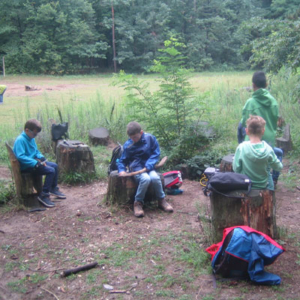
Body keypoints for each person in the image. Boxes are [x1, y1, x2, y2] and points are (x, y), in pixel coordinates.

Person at [118, 121, 173, 217]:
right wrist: (121, 170)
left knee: (155, 178)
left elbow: (156, 153)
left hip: (150, 167)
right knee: (145, 179)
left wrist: (149, 165)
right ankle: (138, 203)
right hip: (136, 169)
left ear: (141, 132)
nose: (133, 140)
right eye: (131, 138)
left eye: (135, 137)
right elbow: (122, 160)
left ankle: (161, 200)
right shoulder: (128, 145)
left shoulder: (150, 138)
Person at [239, 71, 283, 185]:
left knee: (240, 125)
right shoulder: (273, 101)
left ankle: (240, 153)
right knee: (266, 169)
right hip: (268, 139)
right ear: (266, 84)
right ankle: (271, 189)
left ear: (253, 85)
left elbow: (245, 123)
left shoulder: (250, 102)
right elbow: (275, 123)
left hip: (253, 139)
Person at [13, 119, 66, 208]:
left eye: (36, 134)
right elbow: (20, 156)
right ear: (27, 130)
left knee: (55, 166)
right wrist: (35, 163)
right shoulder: (20, 140)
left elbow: (35, 151)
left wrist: (41, 157)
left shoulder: (31, 138)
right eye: (34, 134)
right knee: (50, 171)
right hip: (26, 167)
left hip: (34, 163)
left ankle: (53, 188)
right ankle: (43, 195)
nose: (35, 136)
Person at [233, 115, 283, 190]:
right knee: (269, 182)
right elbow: (279, 167)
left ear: (246, 131)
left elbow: (236, 168)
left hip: (246, 186)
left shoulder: (241, 148)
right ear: (263, 131)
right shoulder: (268, 149)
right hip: (263, 186)